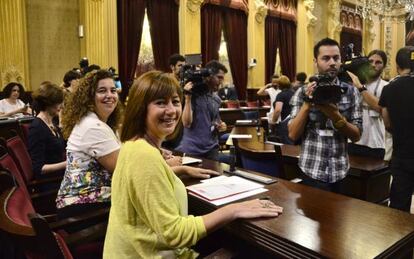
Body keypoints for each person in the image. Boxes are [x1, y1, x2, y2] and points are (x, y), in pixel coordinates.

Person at [103, 71, 283, 258]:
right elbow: (173, 233)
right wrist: (233, 209)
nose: (171, 110)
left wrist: (178, 170)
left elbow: (146, 181)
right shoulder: (144, 155)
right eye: (160, 103)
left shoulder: (134, 145)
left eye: (175, 101)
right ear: (141, 108)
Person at [288, 38, 362, 192]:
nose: (332, 62)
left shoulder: (351, 92)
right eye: (326, 58)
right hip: (311, 169)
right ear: (316, 61)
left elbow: (356, 136)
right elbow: (293, 135)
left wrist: (335, 115)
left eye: (336, 58)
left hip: (340, 171)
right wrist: (308, 103)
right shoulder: (302, 92)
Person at [56, 69, 123, 219]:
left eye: (113, 90)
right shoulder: (92, 126)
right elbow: (126, 170)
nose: (110, 96)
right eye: (102, 91)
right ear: (89, 97)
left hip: (90, 201)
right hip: (83, 210)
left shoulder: (96, 122)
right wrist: (177, 168)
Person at [378, 46, 414, 212]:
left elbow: (387, 124)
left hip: (402, 156)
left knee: (399, 210)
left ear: (397, 66)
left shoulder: (389, 89)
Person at [177, 60, 227, 160]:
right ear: (209, 76)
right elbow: (186, 123)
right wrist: (188, 98)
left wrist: (221, 125)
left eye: (223, 78)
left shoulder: (217, 99)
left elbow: (215, 121)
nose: (221, 82)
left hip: (212, 149)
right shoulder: (193, 95)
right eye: (219, 77)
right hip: (192, 149)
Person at [348, 50, 388, 159]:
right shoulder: (353, 83)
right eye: (370, 61)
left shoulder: (386, 86)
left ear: (384, 66)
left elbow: (380, 107)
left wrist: (360, 87)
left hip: (375, 144)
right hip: (353, 141)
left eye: (378, 62)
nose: (373, 65)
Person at [28, 82, 66, 179]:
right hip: (51, 181)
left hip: (60, 175)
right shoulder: (37, 128)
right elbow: (39, 168)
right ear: (49, 103)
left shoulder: (51, 122)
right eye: (59, 103)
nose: (62, 106)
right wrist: (67, 164)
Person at [271, 75, 294, 144]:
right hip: (294, 121)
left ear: (280, 85)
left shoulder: (281, 95)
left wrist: (273, 121)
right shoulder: (294, 93)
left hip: (285, 123)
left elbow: (278, 110)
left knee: (286, 145)